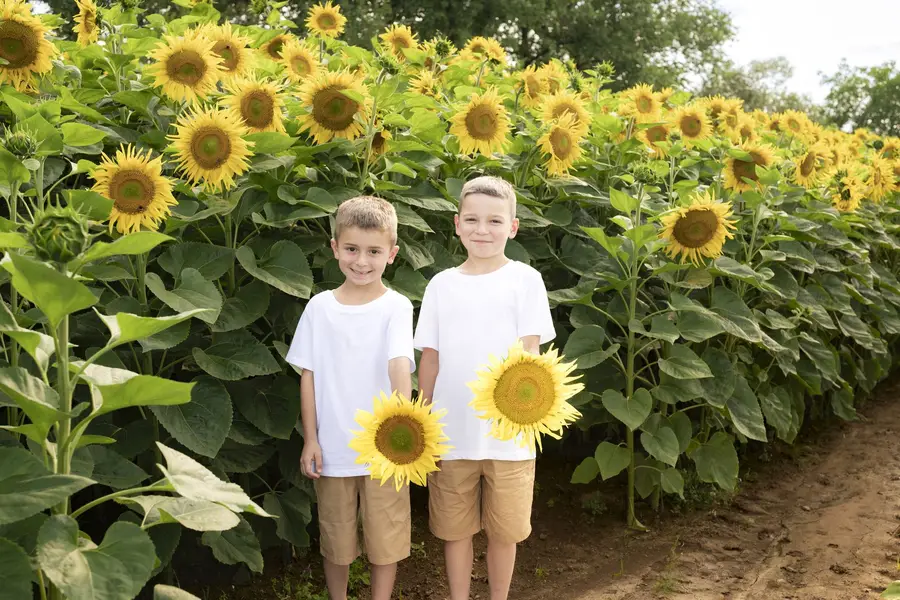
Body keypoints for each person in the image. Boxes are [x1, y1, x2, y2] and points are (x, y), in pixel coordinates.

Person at [415, 176, 556, 600]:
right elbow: (431, 359)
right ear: (457, 224)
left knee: (505, 531)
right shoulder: (441, 285)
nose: (482, 229)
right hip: (451, 432)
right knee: (454, 530)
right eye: (473, 220)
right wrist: (423, 420)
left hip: (509, 435)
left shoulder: (526, 280)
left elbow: (529, 358)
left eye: (495, 220)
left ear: (513, 227)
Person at [286, 196, 415, 600]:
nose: (362, 261)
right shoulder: (319, 308)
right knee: (336, 538)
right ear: (335, 248)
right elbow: (309, 375)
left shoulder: (396, 306)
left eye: (374, 251)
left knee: (385, 537)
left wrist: (405, 426)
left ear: (391, 254)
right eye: (352, 249)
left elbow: (399, 364)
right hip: (333, 448)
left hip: (384, 449)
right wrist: (311, 438)